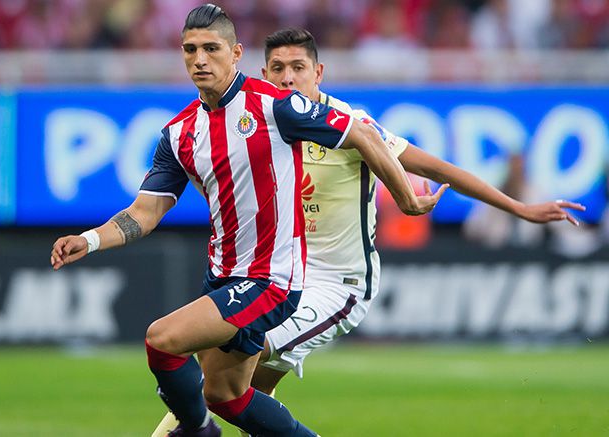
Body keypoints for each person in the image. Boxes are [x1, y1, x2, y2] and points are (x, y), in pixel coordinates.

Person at [152, 27, 587, 436]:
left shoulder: (347, 122)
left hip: (334, 286)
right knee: (247, 402)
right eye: (278, 69)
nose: (287, 79)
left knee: (217, 378)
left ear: (318, 72)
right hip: (276, 276)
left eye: (298, 68)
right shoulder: (259, 121)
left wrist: (517, 207)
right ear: (263, 74)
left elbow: (435, 167)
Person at [51, 5, 444, 437]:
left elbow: (364, 134)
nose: (200, 59)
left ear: (235, 53)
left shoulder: (276, 105)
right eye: (190, 50)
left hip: (270, 280)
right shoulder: (179, 133)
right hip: (222, 277)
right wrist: (88, 240)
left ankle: (199, 430)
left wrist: (406, 198)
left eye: (211, 49)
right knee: (228, 396)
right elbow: (143, 214)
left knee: (162, 340)